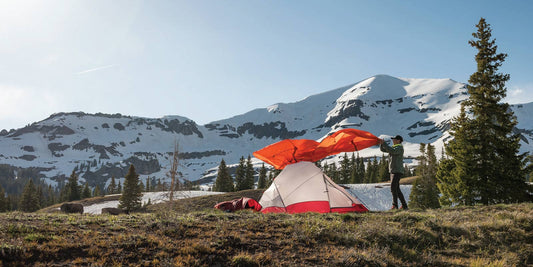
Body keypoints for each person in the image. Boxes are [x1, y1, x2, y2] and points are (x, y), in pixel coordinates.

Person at [379, 135, 408, 210]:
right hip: (393, 171)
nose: (393, 140)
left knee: (393, 188)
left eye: (394, 139)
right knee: (397, 189)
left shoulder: (399, 148)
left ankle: (395, 205)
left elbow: (391, 150)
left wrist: (384, 144)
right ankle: (404, 206)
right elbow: (384, 150)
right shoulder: (395, 147)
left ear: (398, 141)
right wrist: (381, 144)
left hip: (397, 171)